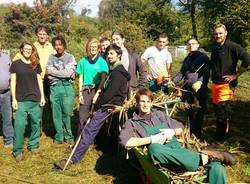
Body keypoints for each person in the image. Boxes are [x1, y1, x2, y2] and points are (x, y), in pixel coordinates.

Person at [119, 88, 236, 184]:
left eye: (148, 101)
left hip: (178, 151)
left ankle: (205, 160)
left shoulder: (159, 115)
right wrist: (152, 139)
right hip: (161, 157)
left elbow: (180, 127)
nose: (145, 105)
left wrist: (173, 132)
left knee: (217, 167)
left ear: (151, 103)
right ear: (137, 103)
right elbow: (126, 142)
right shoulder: (132, 123)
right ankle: (203, 158)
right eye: (142, 101)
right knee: (154, 148)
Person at [54, 43, 131, 169]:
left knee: (90, 129)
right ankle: (78, 151)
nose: (109, 56)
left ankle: (73, 159)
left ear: (119, 55)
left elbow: (109, 95)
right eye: (107, 54)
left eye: (112, 53)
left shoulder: (118, 73)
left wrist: (96, 107)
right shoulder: (114, 70)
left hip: (109, 105)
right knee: (92, 129)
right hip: (108, 104)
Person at [210, 23, 250, 141]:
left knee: (222, 111)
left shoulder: (232, 46)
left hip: (226, 86)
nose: (218, 35)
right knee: (218, 111)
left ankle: (219, 139)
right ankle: (226, 132)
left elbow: (247, 59)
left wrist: (236, 75)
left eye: (220, 33)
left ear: (226, 33)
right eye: (216, 33)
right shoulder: (215, 48)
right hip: (215, 84)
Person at [10, 42, 45, 161]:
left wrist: (42, 97)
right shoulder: (16, 64)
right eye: (26, 49)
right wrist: (14, 99)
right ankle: (17, 150)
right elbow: (13, 82)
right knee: (19, 125)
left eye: (30, 49)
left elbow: (39, 80)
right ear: (21, 49)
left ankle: (33, 145)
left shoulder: (35, 64)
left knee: (36, 124)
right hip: (21, 100)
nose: (28, 51)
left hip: (35, 99)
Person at [172, 37, 210, 137]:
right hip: (188, 89)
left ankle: (196, 134)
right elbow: (181, 73)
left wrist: (200, 82)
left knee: (197, 111)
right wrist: (173, 81)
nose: (191, 45)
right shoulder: (188, 58)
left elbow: (205, 73)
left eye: (193, 43)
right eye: (189, 44)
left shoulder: (203, 58)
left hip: (199, 90)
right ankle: (189, 131)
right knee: (189, 110)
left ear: (198, 45)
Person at [76, 38, 109, 136]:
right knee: (82, 116)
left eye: (94, 47)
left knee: (95, 116)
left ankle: (93, 138)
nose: (92, 49)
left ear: (98, 48)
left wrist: (97, 94)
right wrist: (80, 93)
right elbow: (80, 78)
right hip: (86, 90)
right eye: (90, 47)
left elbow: (103, 80)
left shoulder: (102, 62)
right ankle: (78, 139)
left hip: (97, 91)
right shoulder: (83, 61)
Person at [47, 35, 76, 144]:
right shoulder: (51, 57)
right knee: (56, 113)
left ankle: (68, 136)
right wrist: (64, 73)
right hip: (54, 87)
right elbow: (49, 74)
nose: (58, 47)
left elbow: (69, 73)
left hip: (67, 87)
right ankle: (59, 136)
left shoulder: (70, 57)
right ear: (54, 46)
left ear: (64, 45)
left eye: (60, 44)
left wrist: (55, 72)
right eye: (56, 45)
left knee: (67, 112)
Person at [111, 31, 147, 96]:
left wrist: (139, 88)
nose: (115, 42)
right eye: (113, 40)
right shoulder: (110, 55)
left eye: (117, 39)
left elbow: (143, 72)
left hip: (130, 91)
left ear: (123, 40)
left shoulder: (132, 55)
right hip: (115, 90)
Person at [0, 45, 14, 148]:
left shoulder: (6, 57)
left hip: (5, 92)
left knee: (7, 117)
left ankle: (8, 140)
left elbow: (12, 73)